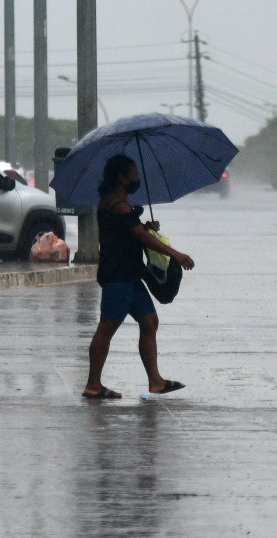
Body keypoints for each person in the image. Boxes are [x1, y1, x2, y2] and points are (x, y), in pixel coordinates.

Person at [81, 155, 196, 400]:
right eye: (133, 174)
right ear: (121, 178)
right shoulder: (117, 204)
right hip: (118, 277)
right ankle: (93, 385)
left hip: (131, 275)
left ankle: (155, 381)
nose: (137, 178)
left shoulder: (117, 203)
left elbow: (130, 232)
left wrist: (145, 226)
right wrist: (175, 254)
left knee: (149, 321)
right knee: (106, 329)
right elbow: (139, 237)